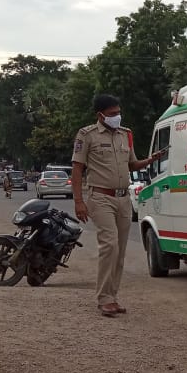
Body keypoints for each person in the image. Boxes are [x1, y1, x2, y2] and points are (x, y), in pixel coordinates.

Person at [72, 94, 165, 318]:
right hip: (100, 197)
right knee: (109, 245)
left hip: (123, 198)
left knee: (120, 250)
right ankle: (104, 299)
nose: (117, 117)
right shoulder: (87, 135)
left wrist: (151, 160)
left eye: (118, 112)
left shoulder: (126, 135)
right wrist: (78, 202)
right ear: (100, 115)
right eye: (113, 114)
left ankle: (112, 297)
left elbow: (132, 164)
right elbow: (77, 169)